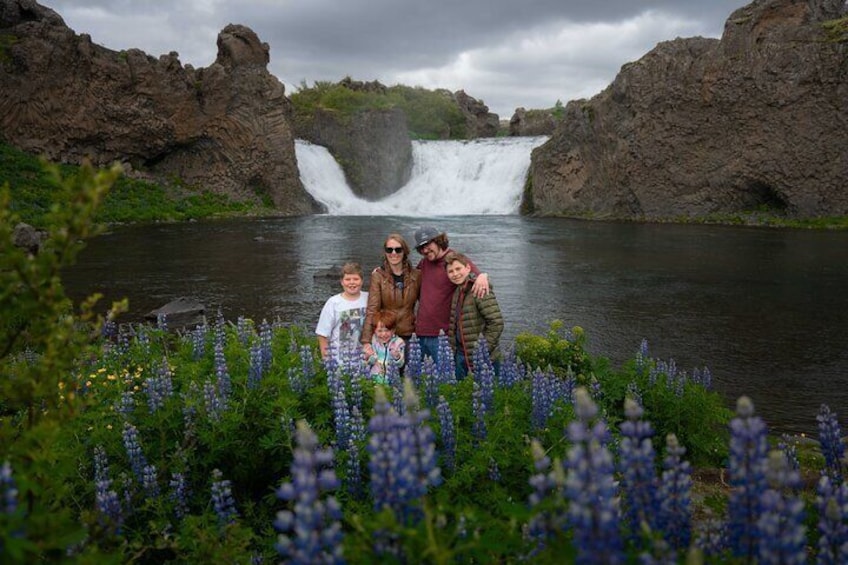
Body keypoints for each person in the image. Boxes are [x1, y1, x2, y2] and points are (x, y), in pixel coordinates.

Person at [413, 226, 489, 364]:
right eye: (421, 248)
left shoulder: (454, 260)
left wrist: (483, 276)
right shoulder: (424, 263)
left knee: (444, 381)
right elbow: (408, 276)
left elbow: (474, 277)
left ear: (438, 240)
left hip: (442, 336)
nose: (425, 250)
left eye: (428, 244)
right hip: (419, 333)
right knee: (420, 381)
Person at [361, 233, 421, 360]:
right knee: (384, 376)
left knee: (408, 377)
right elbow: (372, 309)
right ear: (385, 252)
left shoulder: (416, 275)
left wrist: (473, 275)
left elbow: (427, 302)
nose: (394, 253)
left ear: (405, 251)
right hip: (384, 335)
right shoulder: (378, 275)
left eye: (398, 249)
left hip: (408, 335)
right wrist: (366, 341)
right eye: (389, 250)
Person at [445, 252, 504, 379]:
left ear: (468, 268)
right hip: (462, 354)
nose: (455, 274)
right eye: (450, 271)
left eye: (458, 269)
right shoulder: (458, 290)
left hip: (483, 357)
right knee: (464, 395)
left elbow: (496, 323)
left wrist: (483, 350)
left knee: (487, 395)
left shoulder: (479, 288)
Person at [315, 262, 369, 361]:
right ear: (342, 282)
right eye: (347, 279)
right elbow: (322, 334)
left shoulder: (369, 298)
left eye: (356, 279)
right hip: (340, 360)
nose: (352, 283)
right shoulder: (333, 303)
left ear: (362, 281)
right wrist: (327, 359)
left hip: (366, 360)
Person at [365, 310, 406, 384]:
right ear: (375, 331)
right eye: (380, 331)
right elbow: (371, 362)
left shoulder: (398, 343)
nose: (383, 334)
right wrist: (368, 356)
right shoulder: (374, 341)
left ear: (393, 330)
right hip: (375, 377)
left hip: (392, 379)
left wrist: (397, 357)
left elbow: (400, 364)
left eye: (387, 331)